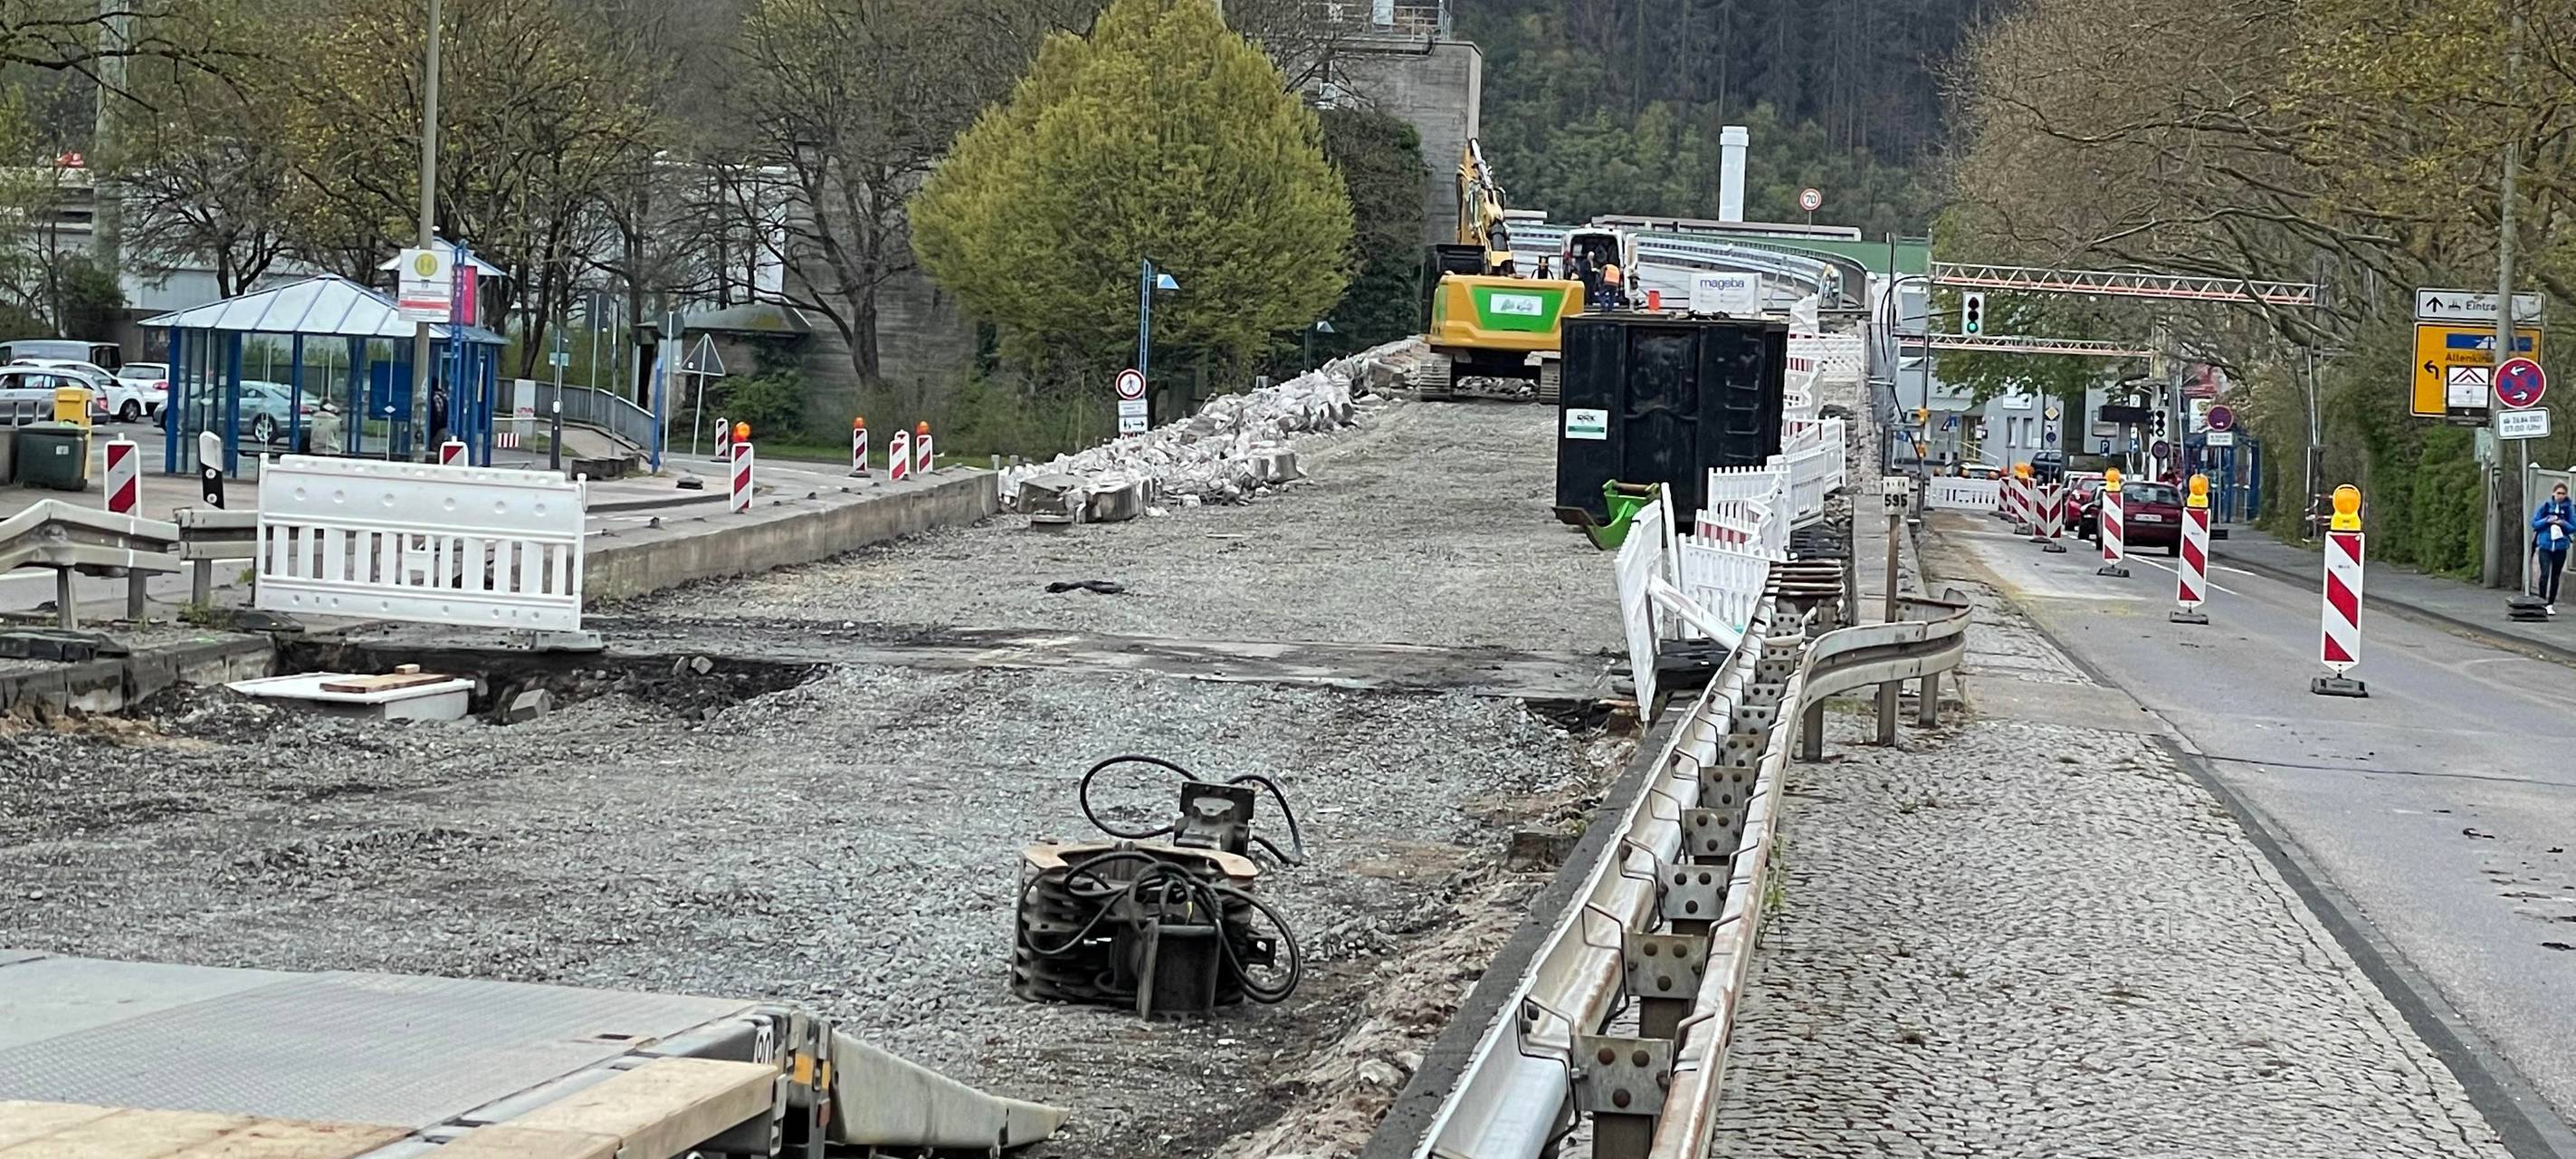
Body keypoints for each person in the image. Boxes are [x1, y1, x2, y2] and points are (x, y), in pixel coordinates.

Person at [2534, 480, 2574, 612]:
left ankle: (2550, 604)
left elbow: (2573, 527)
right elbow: (2535, 523)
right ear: (2553, 493)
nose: (2560, 496)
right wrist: (2547, 520)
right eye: (2558, 493)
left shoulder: (2569, 509)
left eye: (2563, 493)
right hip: (2545, 545)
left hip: (2560, 547)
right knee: (2544, 574)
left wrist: (2563, 523)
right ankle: (2541, 601)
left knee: (2555, 575)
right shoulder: (2546, 506)